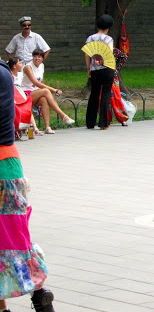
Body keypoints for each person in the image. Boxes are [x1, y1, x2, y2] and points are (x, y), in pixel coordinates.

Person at [0, 59, 56, 312]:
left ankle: (39, 295)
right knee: (13, 236)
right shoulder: (3, 72)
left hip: (4, 168)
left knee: (11, 237)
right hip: (8, 163)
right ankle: (39, 296)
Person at [20, 49, 75, 134]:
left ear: (43, 58)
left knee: (44, 99)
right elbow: (36, 83)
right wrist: (54, 90)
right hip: (26, 93)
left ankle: (47, 127)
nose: (37, 58)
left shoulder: (41, 66)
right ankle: (62, 115)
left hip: (36, 92)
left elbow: (41, 82)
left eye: (39, 57)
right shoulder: (28, 67)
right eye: (35, 56)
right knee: (45, 91)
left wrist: (44, 91)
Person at [85, 14, 115, 130]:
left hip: (94, 70)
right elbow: (109, 52)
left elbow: (87, 55)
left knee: (94, 94)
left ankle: (90, 122)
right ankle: (103, 123)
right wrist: (103, 61)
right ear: (108, 28)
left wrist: (89, 68)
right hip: (107, 69)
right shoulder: (108, 39)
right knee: (105, 94)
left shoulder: (90, 38)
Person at [8, 57, 43, 137]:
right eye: (20, 63)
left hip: (21, 96)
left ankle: (34, 128)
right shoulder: (9, 75)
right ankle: (26, 128)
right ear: (14, 66)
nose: (22, 65)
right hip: (14, 97)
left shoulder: (21, 75)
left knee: (27, 108)